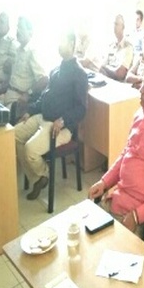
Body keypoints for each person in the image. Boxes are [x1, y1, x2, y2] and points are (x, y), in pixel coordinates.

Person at [88, 64, 144, 235]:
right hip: (116, 200)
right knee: (81, 232)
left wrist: (137, 215)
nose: (140, 90)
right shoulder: (139, 115)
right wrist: (105, 182)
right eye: (142, 84)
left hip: (135, 216)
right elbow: (126, 154)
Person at [16, 31, 88, 200]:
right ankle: (38, 178)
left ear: (72, 44)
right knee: (13, 135)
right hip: (42, 117)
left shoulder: (79, 74)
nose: (59, 45)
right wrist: (30, 111)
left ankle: (44, 173)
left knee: (30, 149)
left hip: (60, 126)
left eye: (63, 41)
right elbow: (44, 97)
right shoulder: (56, 69)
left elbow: (81, 108)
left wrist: (63, 120)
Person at [0, 17, 47, 118]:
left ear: (30, 32)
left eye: (21, 28)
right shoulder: (18, 50)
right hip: (7, 94)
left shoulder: (33, 52)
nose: (18, 31)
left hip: (17, 99)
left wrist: (28, 94)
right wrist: (0, 90)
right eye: (17, 27)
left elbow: (44, 80)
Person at [98, 15, 135, 81]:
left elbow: (120, 74)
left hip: (118, 83)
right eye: (114, 24)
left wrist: (106, 70)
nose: (114, 27)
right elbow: (102, 66)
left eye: (116, 24)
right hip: (106, 80)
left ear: (123, 27)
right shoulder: (111, 46)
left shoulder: (128, 47)